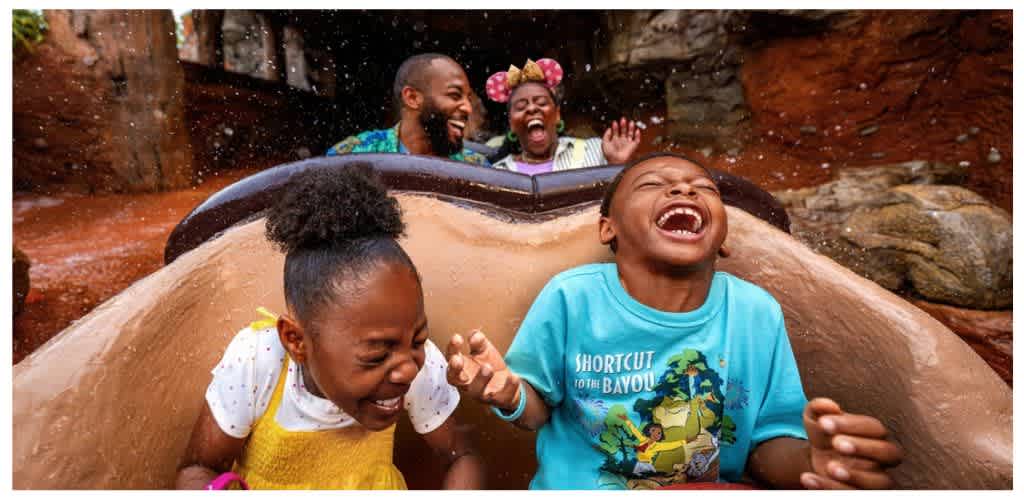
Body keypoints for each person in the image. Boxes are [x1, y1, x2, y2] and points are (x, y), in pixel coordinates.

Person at [445, 152, 903, 489]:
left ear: (723, 239)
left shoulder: (755, 313)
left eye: (703, 188)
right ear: (609, 229)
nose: (683, 190)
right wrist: (509, 393)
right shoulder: (572, 297)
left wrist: (812, 461)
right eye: (652, 185)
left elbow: (767, 445)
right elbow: (538, 408)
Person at [176, 164, 484, 490]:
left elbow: (462, 456)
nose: (408, 371)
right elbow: (199, 467)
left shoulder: (413, 361)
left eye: (418, 340)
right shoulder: (258, 363)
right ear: (296, 341)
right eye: (376, 355)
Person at [326, 53, 489, 166]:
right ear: (412, 98)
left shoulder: (477, 168)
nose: (468, 108)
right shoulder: (355, 154)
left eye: (468, 98)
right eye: (455, 95)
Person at [483, 58, 641, 174]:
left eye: (541, 102)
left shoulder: (598, 150)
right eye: (521, 106)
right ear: (511, 123)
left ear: (557, 114)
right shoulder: (497, 173)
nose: (531, 108)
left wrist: (617, 165)